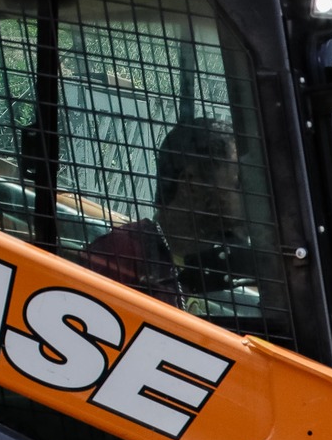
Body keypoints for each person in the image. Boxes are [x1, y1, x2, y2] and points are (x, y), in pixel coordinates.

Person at [78, 116, 247, 305]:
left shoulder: (211, 269)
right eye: (238, 184)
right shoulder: (122, 254)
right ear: (191, 184)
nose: (249, 196)